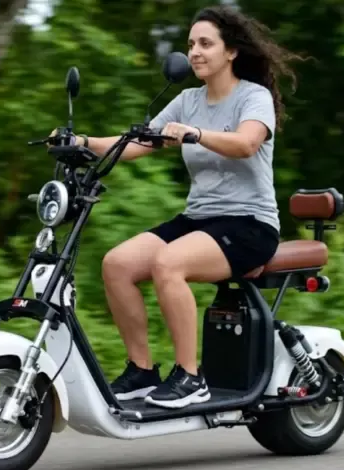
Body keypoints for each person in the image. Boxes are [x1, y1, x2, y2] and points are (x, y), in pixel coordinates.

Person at [54, 5, 301, 409]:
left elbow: (246, 144)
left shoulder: (252, 97)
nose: (196, 52)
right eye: (191, 45)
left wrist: (195, 134)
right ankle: (142, 371)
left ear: (231, 52)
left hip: (249, 224)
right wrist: (80, 142)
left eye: (206, 43)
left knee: (169, 262)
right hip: (199, 220)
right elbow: (133, 145)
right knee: (117, 265)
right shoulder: (187, 100)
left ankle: (190, 377)